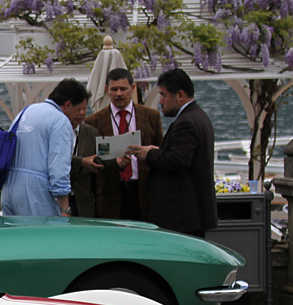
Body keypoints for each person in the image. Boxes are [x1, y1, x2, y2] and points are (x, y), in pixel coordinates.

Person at [127, 68, 217, 237]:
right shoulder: (199, 116)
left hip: (181, 215)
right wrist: (159, 151)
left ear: (180, 95)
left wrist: (149, 154)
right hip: (191, 214)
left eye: (163, 95)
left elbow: (178, 160)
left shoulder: (186, 122)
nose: (161, 101)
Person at [1, 78, 90, 217]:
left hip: (9, 190)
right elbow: (59, 168)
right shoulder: (60, 121)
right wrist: (65, 209)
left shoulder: (27, 111)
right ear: (67, 105)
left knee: (17, 238)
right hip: (35, 191)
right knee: (44, 237)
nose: (82, 114)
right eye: (79, 108)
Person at [84, 68, 163, 221]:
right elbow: (91, 160)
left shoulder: (151, 116)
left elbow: (161, 153)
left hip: (143, 192)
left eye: (123, 89)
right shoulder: (94, 121)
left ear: (132, 89)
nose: (119, 93)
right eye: (114, 89)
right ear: (107, 90)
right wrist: (115, 163)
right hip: (110, 194)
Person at [69, 115, 99, 218]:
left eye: (84, 108)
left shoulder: (90, 132)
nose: (81, 113)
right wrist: (81, 162)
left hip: (84, 200)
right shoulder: (55, 130)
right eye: (78, 110)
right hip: (60, 199)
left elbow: (99, 158)